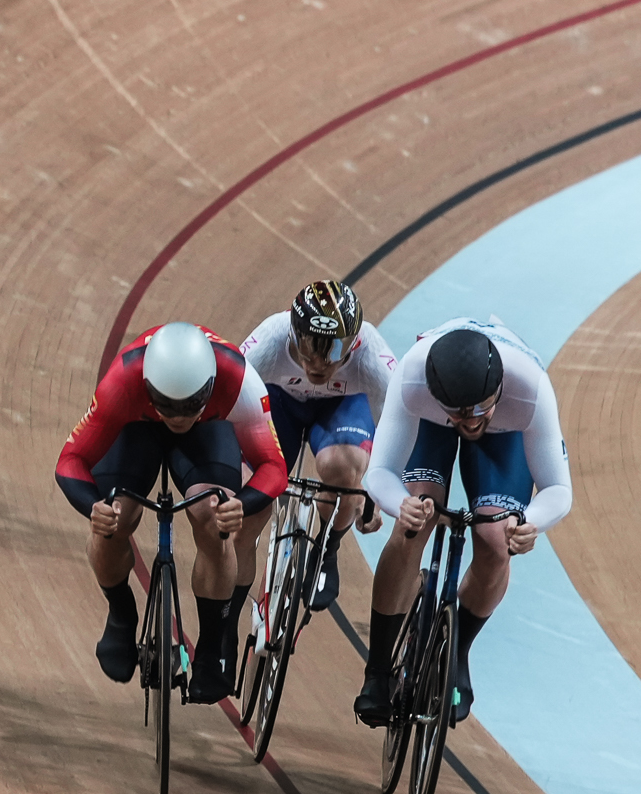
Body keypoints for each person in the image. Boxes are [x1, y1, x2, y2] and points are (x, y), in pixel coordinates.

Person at [353, 319, 572, 728]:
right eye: (461, 414)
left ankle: (455, 654)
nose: (471, 423)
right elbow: (379, 470)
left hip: (505, 426)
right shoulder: (413, 379)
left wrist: (530, 523)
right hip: (432, 422)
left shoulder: (530, 388)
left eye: (478, 412)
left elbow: (558, 488)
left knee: (495, 538)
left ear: (499, 388)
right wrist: (401, 504)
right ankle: (378, 670)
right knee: (417, 518)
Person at [56, 322, 288, 703]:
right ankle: (121, 613)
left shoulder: (238, 379)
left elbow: (274, 467)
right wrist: (92, 506)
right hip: (137, 427)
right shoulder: (123, 380)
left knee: (214, 519)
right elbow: (71, 459)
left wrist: (239, 505)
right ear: (148, 385)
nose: (177, 417)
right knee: (113, 518)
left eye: (187, 405)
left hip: (208, 429)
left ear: (210, 386)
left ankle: (211, 649)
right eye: (167, 405)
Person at [238, 280, 394, 614]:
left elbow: (397, 429)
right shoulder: (272, 338)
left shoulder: (372, 355)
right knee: (247, 500)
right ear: (293, 333)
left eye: (334, 351)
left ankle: (327, 547)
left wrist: (377, 490)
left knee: (343, 467)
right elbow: (226, 404)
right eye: (309, 348)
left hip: (340, 408)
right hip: (280, 404)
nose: (319, 363)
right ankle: (228, 608)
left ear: (354, 343)